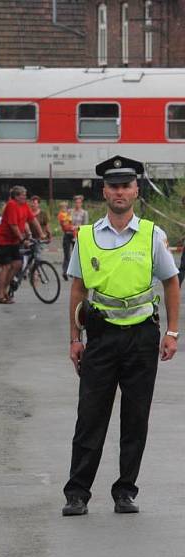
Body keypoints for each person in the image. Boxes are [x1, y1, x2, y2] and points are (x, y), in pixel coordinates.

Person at [62, 156, 180, 517]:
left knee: (135, 417)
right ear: (104, 192)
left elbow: (171, 282)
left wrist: (172, 332)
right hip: (101, 336)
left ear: (135, 191)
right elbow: (78, 290)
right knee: (90, 416)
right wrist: (74, 338)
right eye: (113, 186)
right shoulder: (86, 236)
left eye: (125, 186)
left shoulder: (151, 234)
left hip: (143, 336)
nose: (119, 192)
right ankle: (77, 493)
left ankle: (125, 491)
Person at [0, 185, 43, 304]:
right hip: (3, 240)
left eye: (25, 195)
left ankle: (5, 288)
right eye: (23, 195)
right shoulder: (11, 205)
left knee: (17, 264)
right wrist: (22, 239)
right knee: (6, 266)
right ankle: (0, 294)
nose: (25, 197)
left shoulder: (24, 205)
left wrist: (41, 234)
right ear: (16, 196)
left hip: (14, 241)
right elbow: (13, 225)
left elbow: (32, 220)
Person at [57, 200, 75, 281]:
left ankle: (72, 271)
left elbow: (71, 221)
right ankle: (65, 271)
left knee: (75, 254)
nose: (64, 208)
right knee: (67, 254)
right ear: (61, 208)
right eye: (63, 207)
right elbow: (65, 224)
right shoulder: (61, 215)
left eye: (65, 207)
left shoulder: (68, 214)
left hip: (72, 233)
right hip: (67, 233)